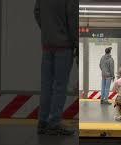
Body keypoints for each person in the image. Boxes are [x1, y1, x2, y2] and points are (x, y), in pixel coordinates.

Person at [34, 0, 76, 135]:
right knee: (60, 86)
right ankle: (54, 122)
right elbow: (72, 20)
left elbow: (37, 13)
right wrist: (75, 42)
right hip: (64, 46)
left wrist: (48, 30)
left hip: (47, 45)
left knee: (46, 85)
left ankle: (43, 121)